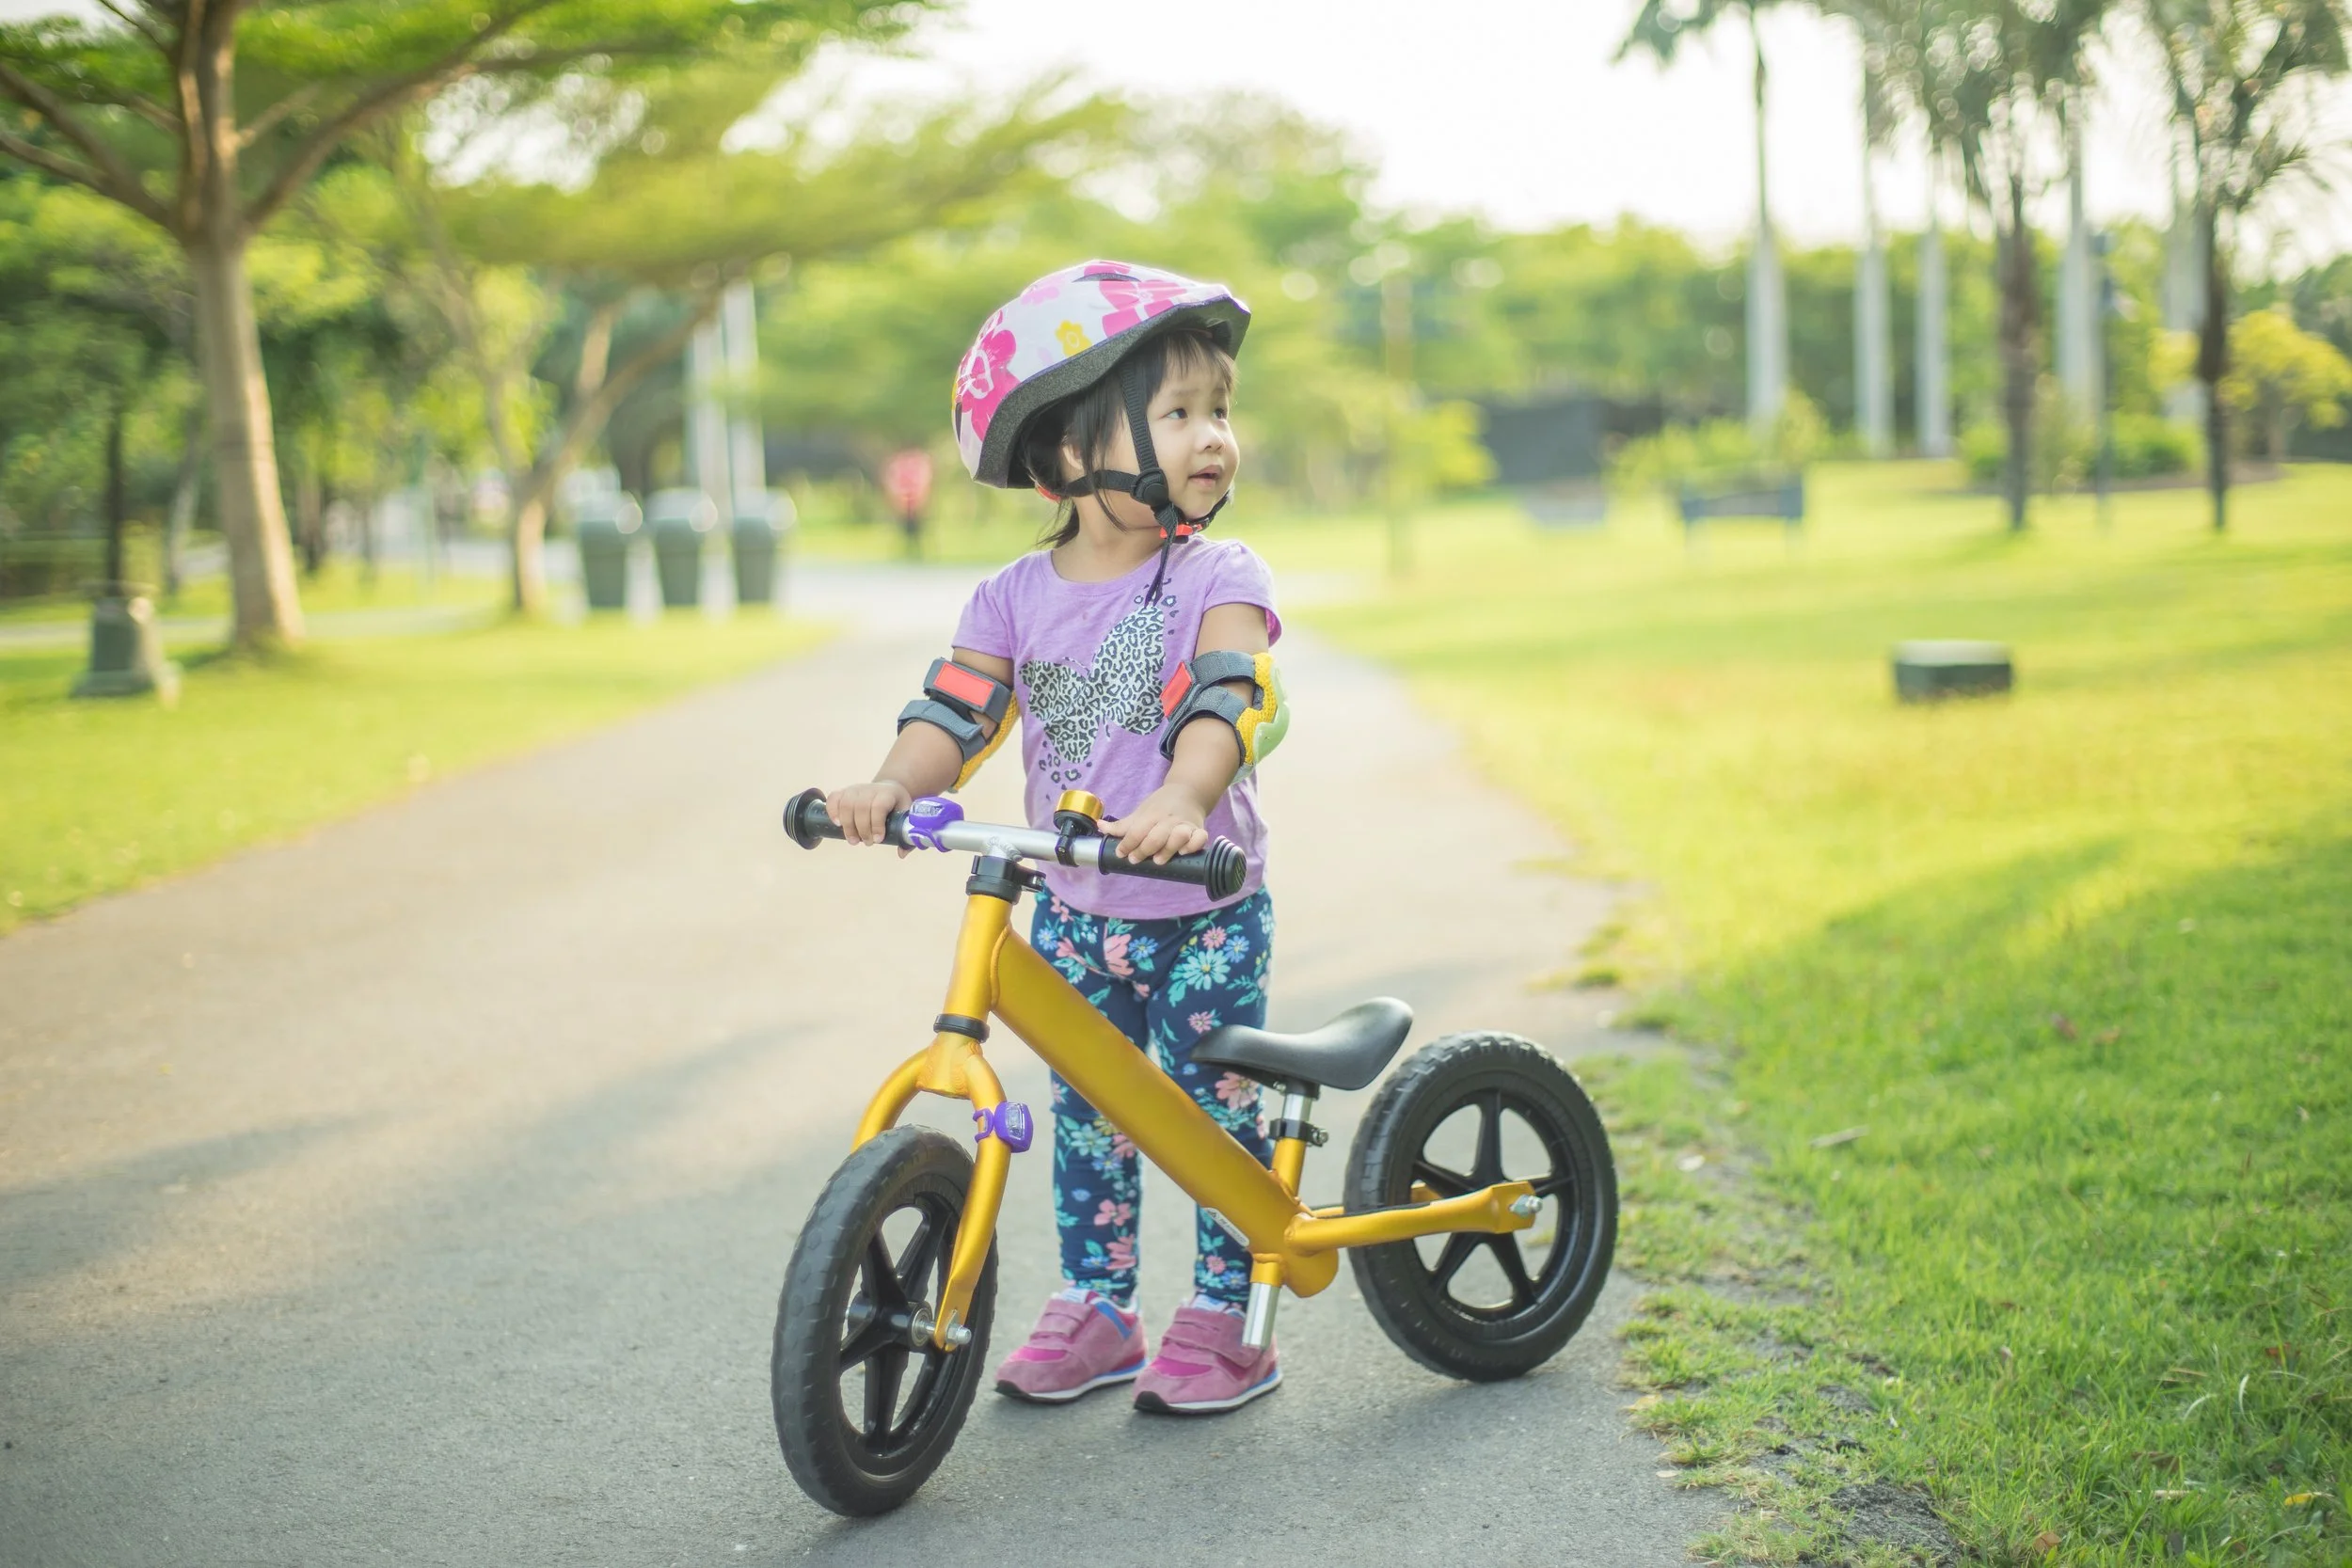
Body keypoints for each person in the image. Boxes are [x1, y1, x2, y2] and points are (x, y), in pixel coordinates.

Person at [822, 261, 1291, 1416]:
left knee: (1209, 1109)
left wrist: (1181, 798)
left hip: (1202, 906)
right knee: (1088, 1119)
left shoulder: (1219, 573)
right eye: (1177, 412)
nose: (1212, 436)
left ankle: (1229, 1312)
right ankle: (1099, 1303)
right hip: (1077, 905)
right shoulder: (1011, 596)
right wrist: (887, 785)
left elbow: (1227, 697)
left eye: (1219, 409)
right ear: (1068, 452)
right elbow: (955, 714)